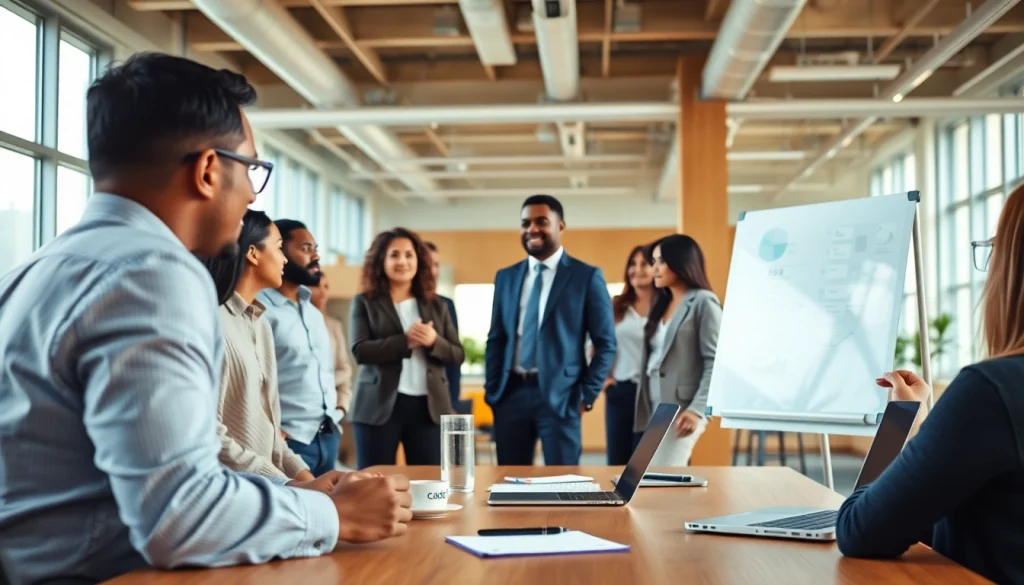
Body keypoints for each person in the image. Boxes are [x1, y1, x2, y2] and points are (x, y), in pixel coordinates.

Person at [0, 52, 410, 584]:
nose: (251, 195)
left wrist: (290, 494)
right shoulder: (153, 273)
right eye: (253, 169)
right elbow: (178, 516)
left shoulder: (34, 269)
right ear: (210, 170)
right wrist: (334, 514)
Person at [836, 183, 1024, 585]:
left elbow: (860, 529)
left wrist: (900, 422)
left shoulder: (992, 390)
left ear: (1011, 266)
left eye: (994, 248)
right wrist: (928, 430)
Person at [484, 195, 616, 466]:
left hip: (562, 397)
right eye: (525, 223)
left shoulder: (586, 276)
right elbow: (497, 338)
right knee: (509, 486)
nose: (532, 229)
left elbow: (606, 344)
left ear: (561, 226)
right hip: (510, 395)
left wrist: (585, 396)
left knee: (563, 485)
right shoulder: (506, 277)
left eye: (541, 221)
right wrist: (492, 389)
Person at [199, 209, 313, 481]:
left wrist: (310, 481)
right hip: (235, 492)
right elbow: (210, 433)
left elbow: (271, 433)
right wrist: (288, 485)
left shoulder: (260, 325)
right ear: (253, 253)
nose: (284, 258)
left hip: (271, 487)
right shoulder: (211, 322)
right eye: (278, 248)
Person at [348, 228, 464, 468]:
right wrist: (405, 342)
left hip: (428, 408)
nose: (402, 261)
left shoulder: (437, 304)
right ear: (381, 260)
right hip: (377, 407)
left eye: (409, 255)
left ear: (418, 260)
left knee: (430, 484)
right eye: (394, 255)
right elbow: (360, 351)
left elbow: (457, 354)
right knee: (373, 484)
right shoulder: (364, 302)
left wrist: (434, 341)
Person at [257, 220, 341, 477]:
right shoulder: (260, 310)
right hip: (290, 442)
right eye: (305, 248)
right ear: (279, 249)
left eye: (315, 248)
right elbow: (252, 379)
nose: (315, 256)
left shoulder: (313, 313)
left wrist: (338, 412)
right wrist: (269, 431)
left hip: (328, 436)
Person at [634, 234, 721, 466]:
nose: (655, 269)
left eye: (660, 261)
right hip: (657, 404)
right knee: (649, 473)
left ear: (681, 262)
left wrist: (697, 410)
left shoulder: (704, 302)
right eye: (653, 262)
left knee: (663, 474)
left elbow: (715, 362)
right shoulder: (661, 303)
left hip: (684, 408)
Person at [603, 246, 654, 465]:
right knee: (619, 461)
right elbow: (594, 344)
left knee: (650, 463)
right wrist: (603, 379)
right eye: (632, 264)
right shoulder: (617, 306)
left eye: (644, 264)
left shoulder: (668, 306)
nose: (637, 269)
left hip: (656, 394)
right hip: (622, 391)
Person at [424, 241, 467, 413]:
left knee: (453, 441)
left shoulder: (445, 305)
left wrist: (453, 402)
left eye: (436, 265)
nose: (433, 271)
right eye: (428, 264)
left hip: (440, 400)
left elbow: (455, 359)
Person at [310, 274, 354, 418]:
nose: (323, 291)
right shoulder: (291, 325)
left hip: (331, 410)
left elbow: (345, 368)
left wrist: (341, 407)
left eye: (326, 286)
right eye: (316, 286)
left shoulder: (334, 326)